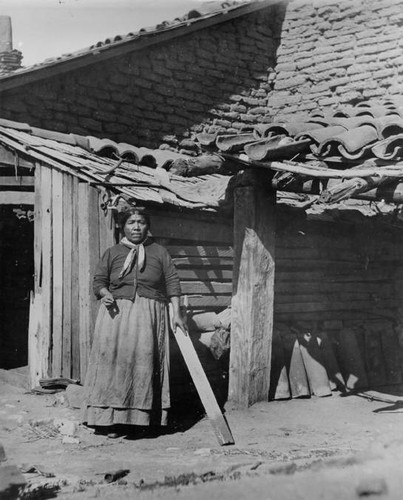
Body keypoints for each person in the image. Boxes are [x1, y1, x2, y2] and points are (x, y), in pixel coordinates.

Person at [81, 206, 187, 438]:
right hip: (116, 315)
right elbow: (99, 280)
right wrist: (103, 292)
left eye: (141, 222)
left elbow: (172, 283)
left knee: (143, 364)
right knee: (114, 365)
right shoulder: (112, 252)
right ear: (122, 226)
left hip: (149, 315)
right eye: (131, 223)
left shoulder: (159, 252)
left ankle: (139, 422)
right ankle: (111, 421)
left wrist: (177, 313)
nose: (136, 227)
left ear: (148, 226)